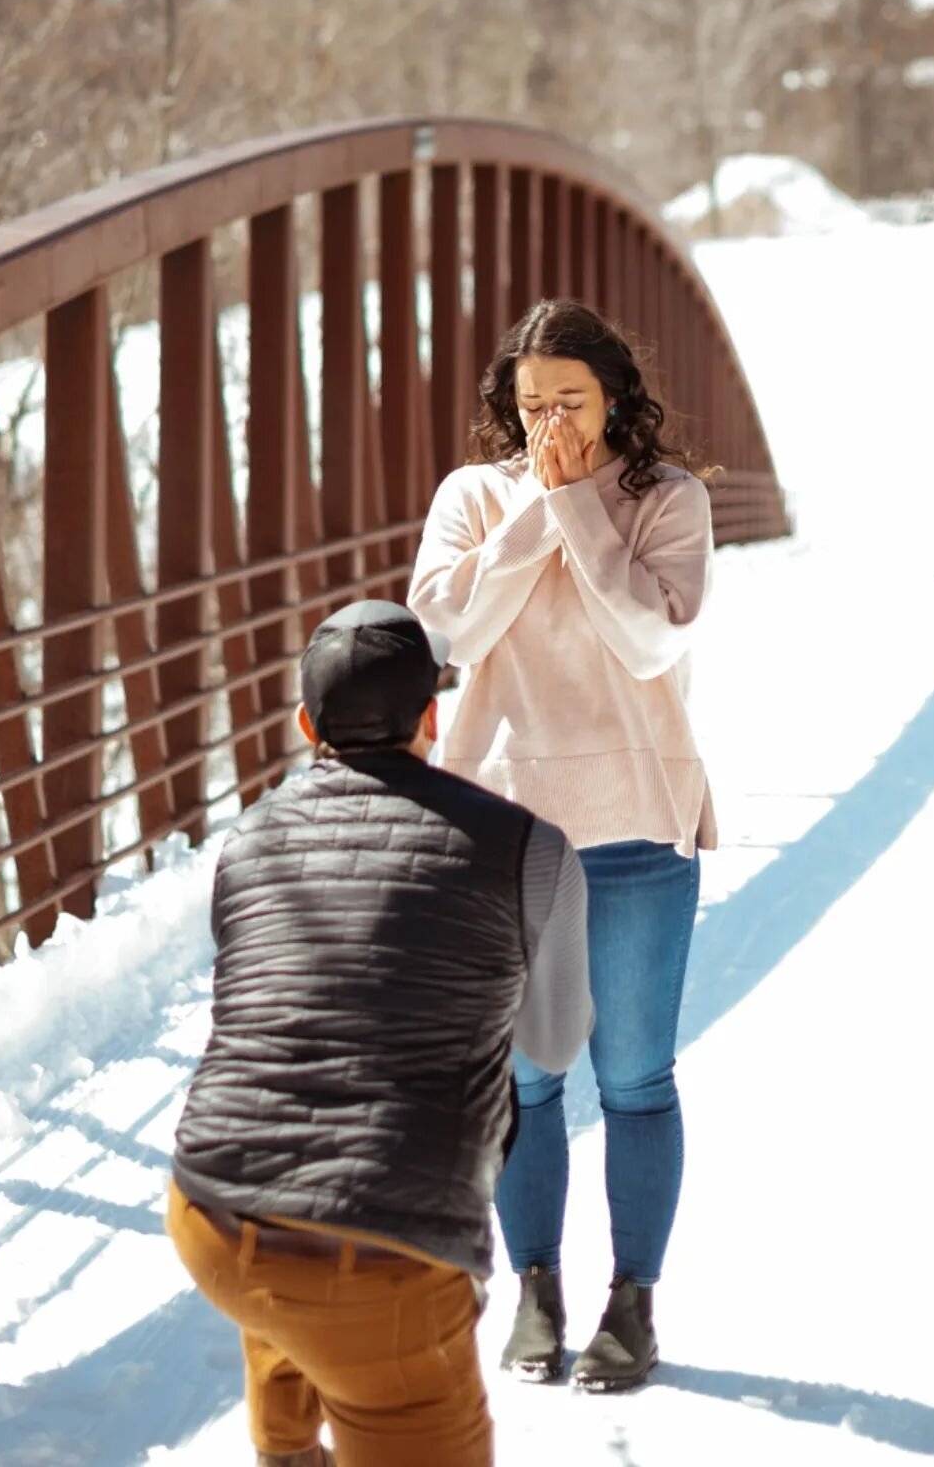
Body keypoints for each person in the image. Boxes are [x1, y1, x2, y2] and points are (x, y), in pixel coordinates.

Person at [166, 599, 592, 1467]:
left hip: (211, 1211)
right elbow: (551, 1045)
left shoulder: (246, 843)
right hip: (385, 1254)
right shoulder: (530, 848)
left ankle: (287, 1449)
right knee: (342, 1304)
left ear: (303, 724)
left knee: (288, 1283)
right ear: (431, 717)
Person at [407, 298, 715, 1393]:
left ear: (615, 395)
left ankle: (633, 1301)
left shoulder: (667, 499)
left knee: (632, 1078)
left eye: (570, 402)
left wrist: (579, 505)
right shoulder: (472, 498)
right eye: (531, 405)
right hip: (505, 829)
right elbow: (450, 633)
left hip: (634, 824)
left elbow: (646, 635)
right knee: (527, 1080)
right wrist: (540, 505)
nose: (549, 423)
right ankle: (537, 1291)